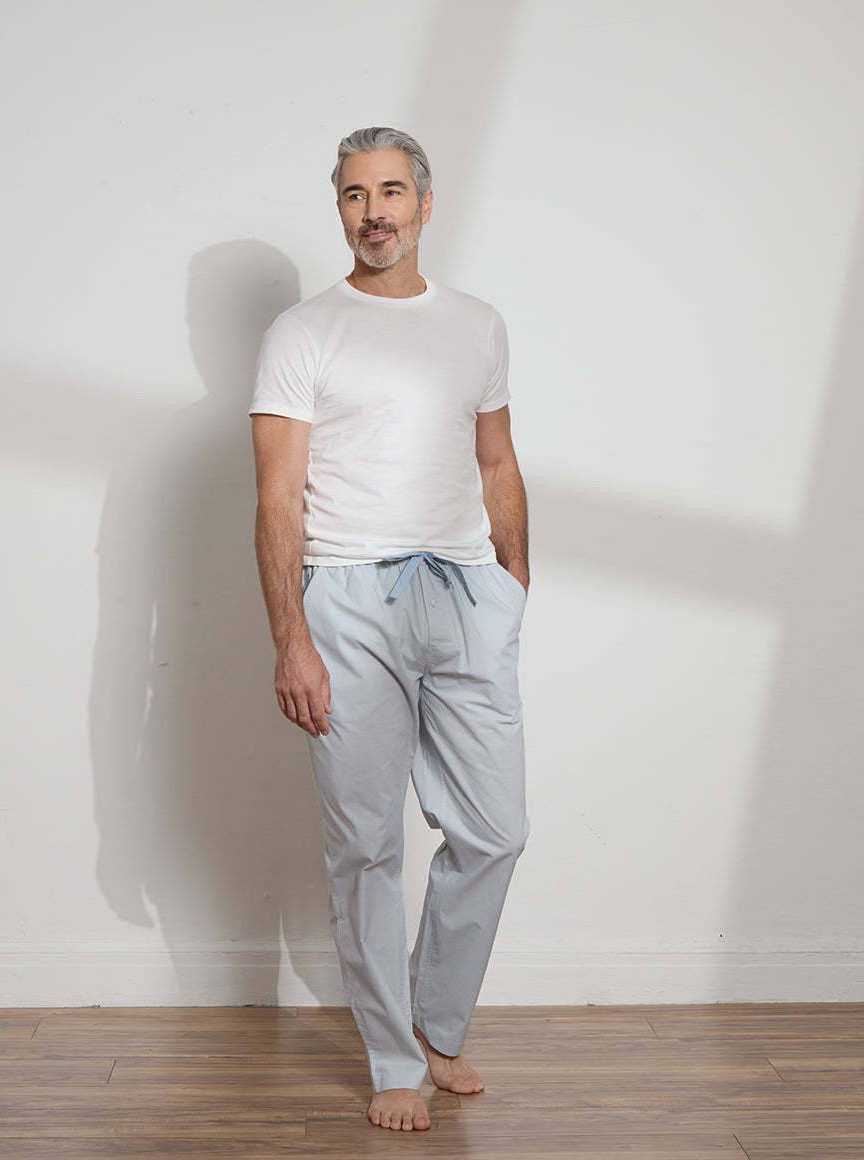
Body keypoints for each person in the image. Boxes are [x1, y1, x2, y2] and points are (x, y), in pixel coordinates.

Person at [247, 126, 530, 1132]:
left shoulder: (477, 324)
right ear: (339, 209)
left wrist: (512, 587)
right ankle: (394, 1057)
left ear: (424, 203)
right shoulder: (302, 333)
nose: (375, 212)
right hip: (347, 595)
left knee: (495, 829)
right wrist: (291, 637)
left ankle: (436, 1022)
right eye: (355, 194)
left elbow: (496, 461)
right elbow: (276, 497)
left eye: (392, 191)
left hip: (462, 590)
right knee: (367, 843)